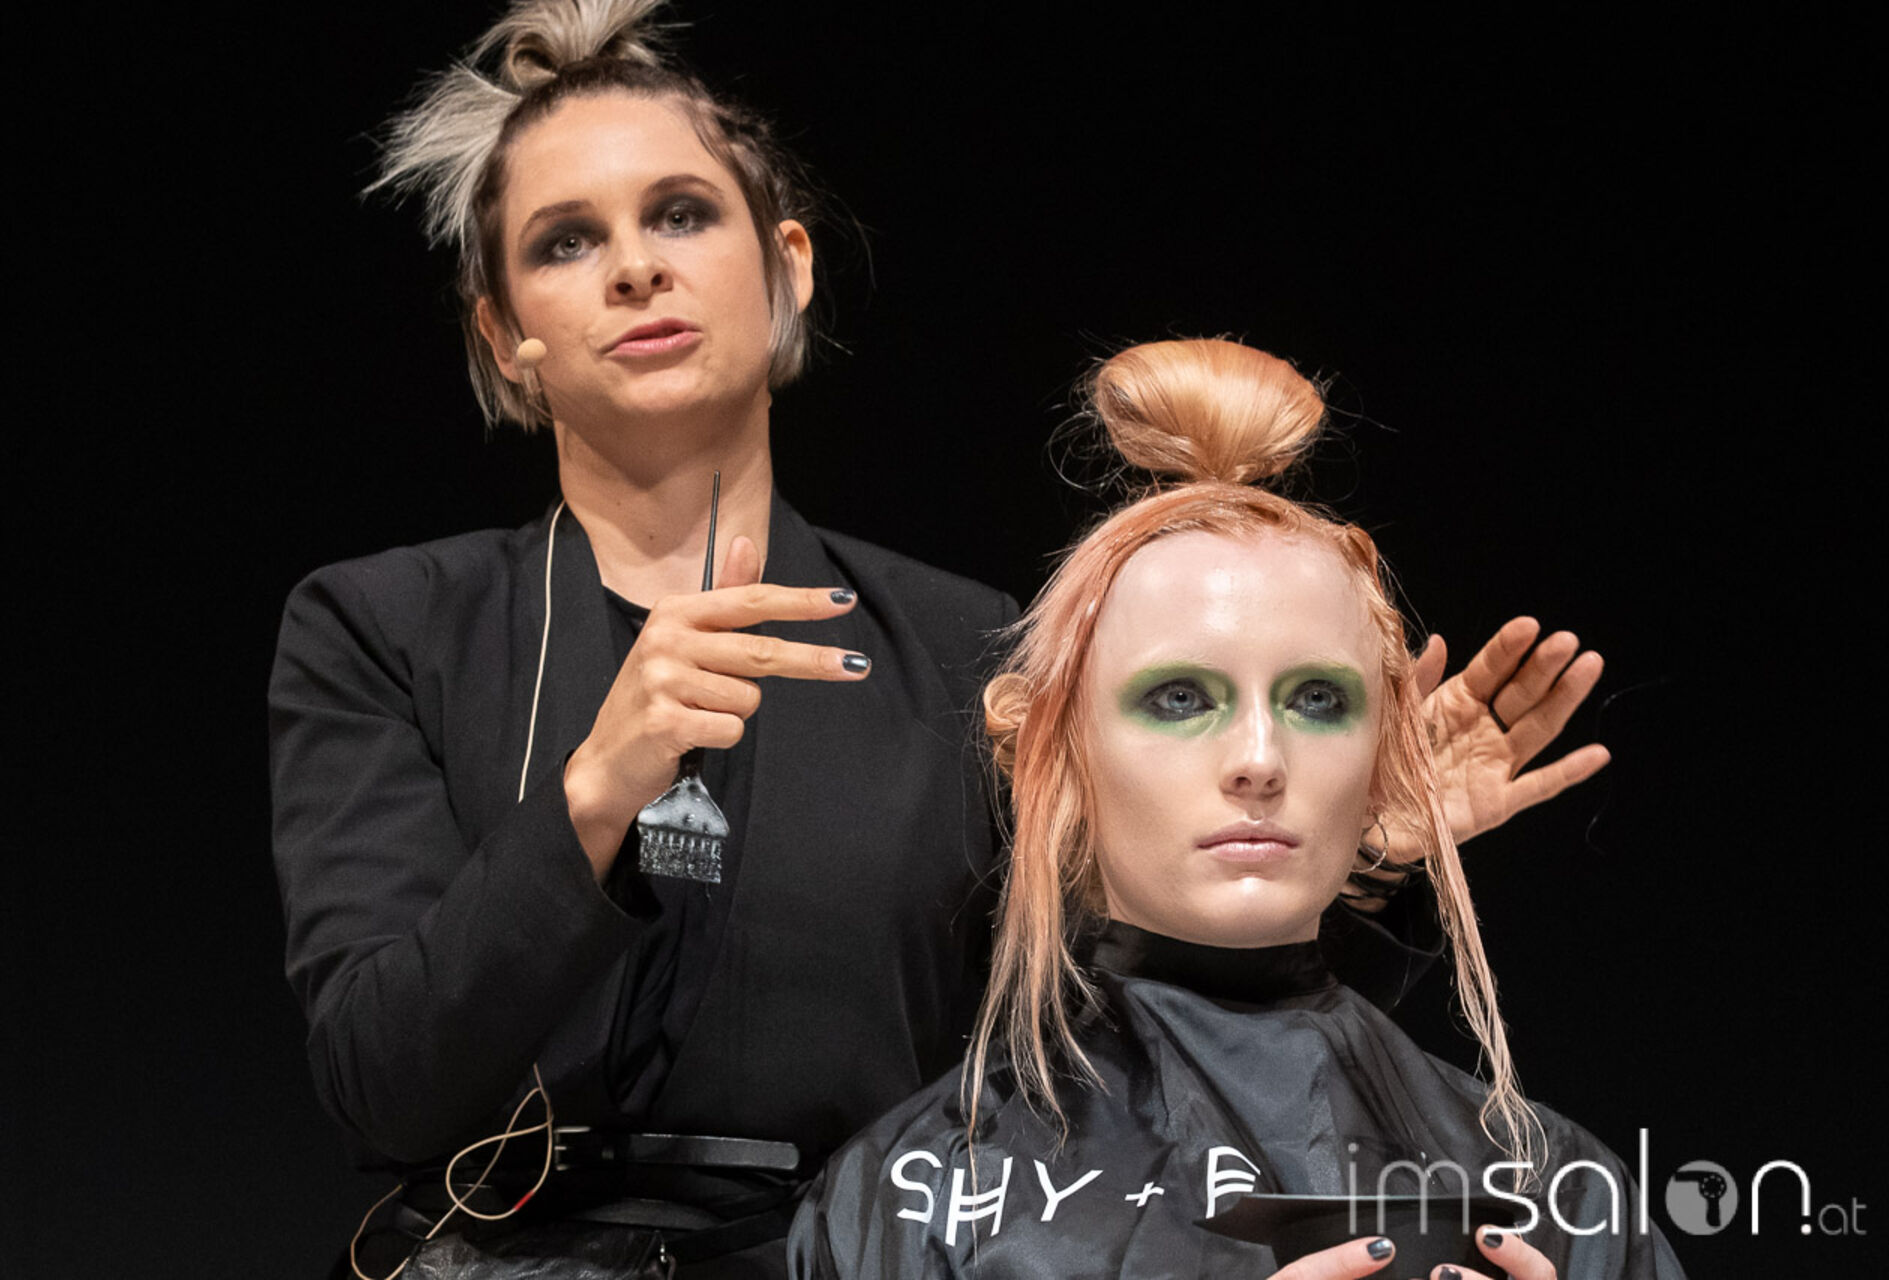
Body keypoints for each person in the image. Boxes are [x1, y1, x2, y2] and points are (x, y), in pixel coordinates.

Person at [269, 2, 1608, 1274]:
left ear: (788, 266)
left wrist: (1355, 853)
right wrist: (600, 788)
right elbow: (383, 1087)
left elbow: (1119, 1046)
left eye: (682, 213)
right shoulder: (384, 628)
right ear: (506, 334)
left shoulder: (964, 645)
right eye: (565, 241)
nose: (635, 266)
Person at [788, 339, 1682, 1279]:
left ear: (1384, 758)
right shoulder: (913, 1198)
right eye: (1179, 698)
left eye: (1317, 701)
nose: (1260, 760)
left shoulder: (1556, 1193)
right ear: (1054, 754)